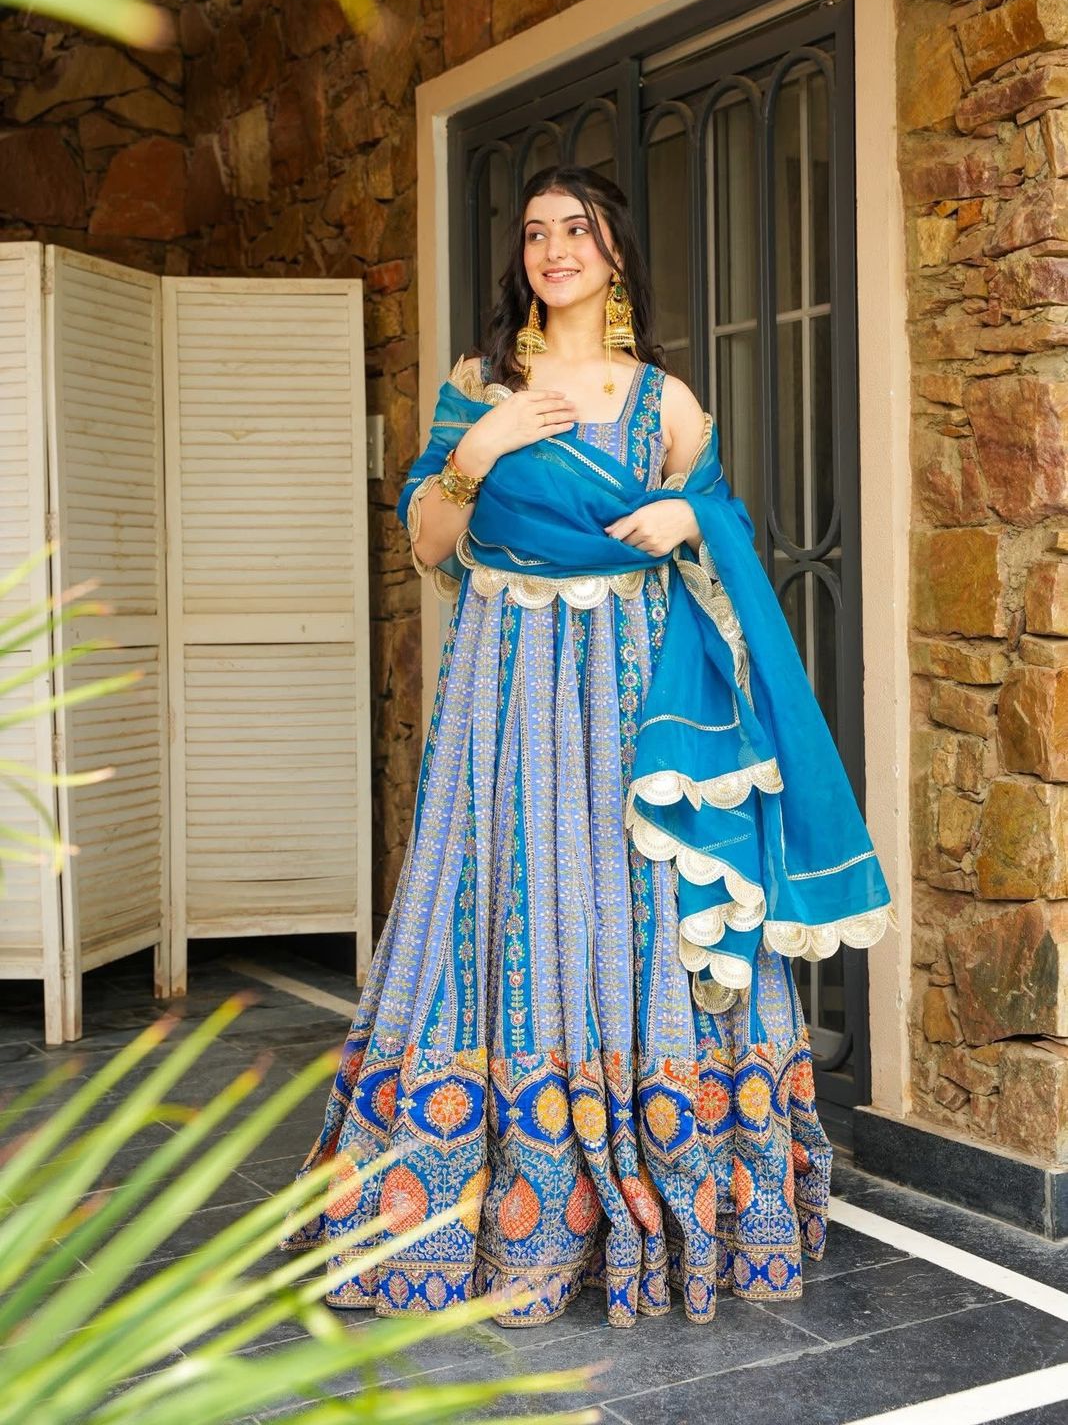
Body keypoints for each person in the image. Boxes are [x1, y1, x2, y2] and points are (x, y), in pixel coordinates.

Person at [282, 164, 892, 1329]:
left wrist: (691, 517)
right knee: (498, 899)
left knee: (633, 909)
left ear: (614, 255)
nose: (554, 248)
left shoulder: (665, 402)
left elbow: (725, 539)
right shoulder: (478, 384)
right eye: (536, 232)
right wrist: (488, 442)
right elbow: (426, 543)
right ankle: (477, 1202)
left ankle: (666, 1198)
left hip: (629, 690)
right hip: (503, 692)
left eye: (579, 229)